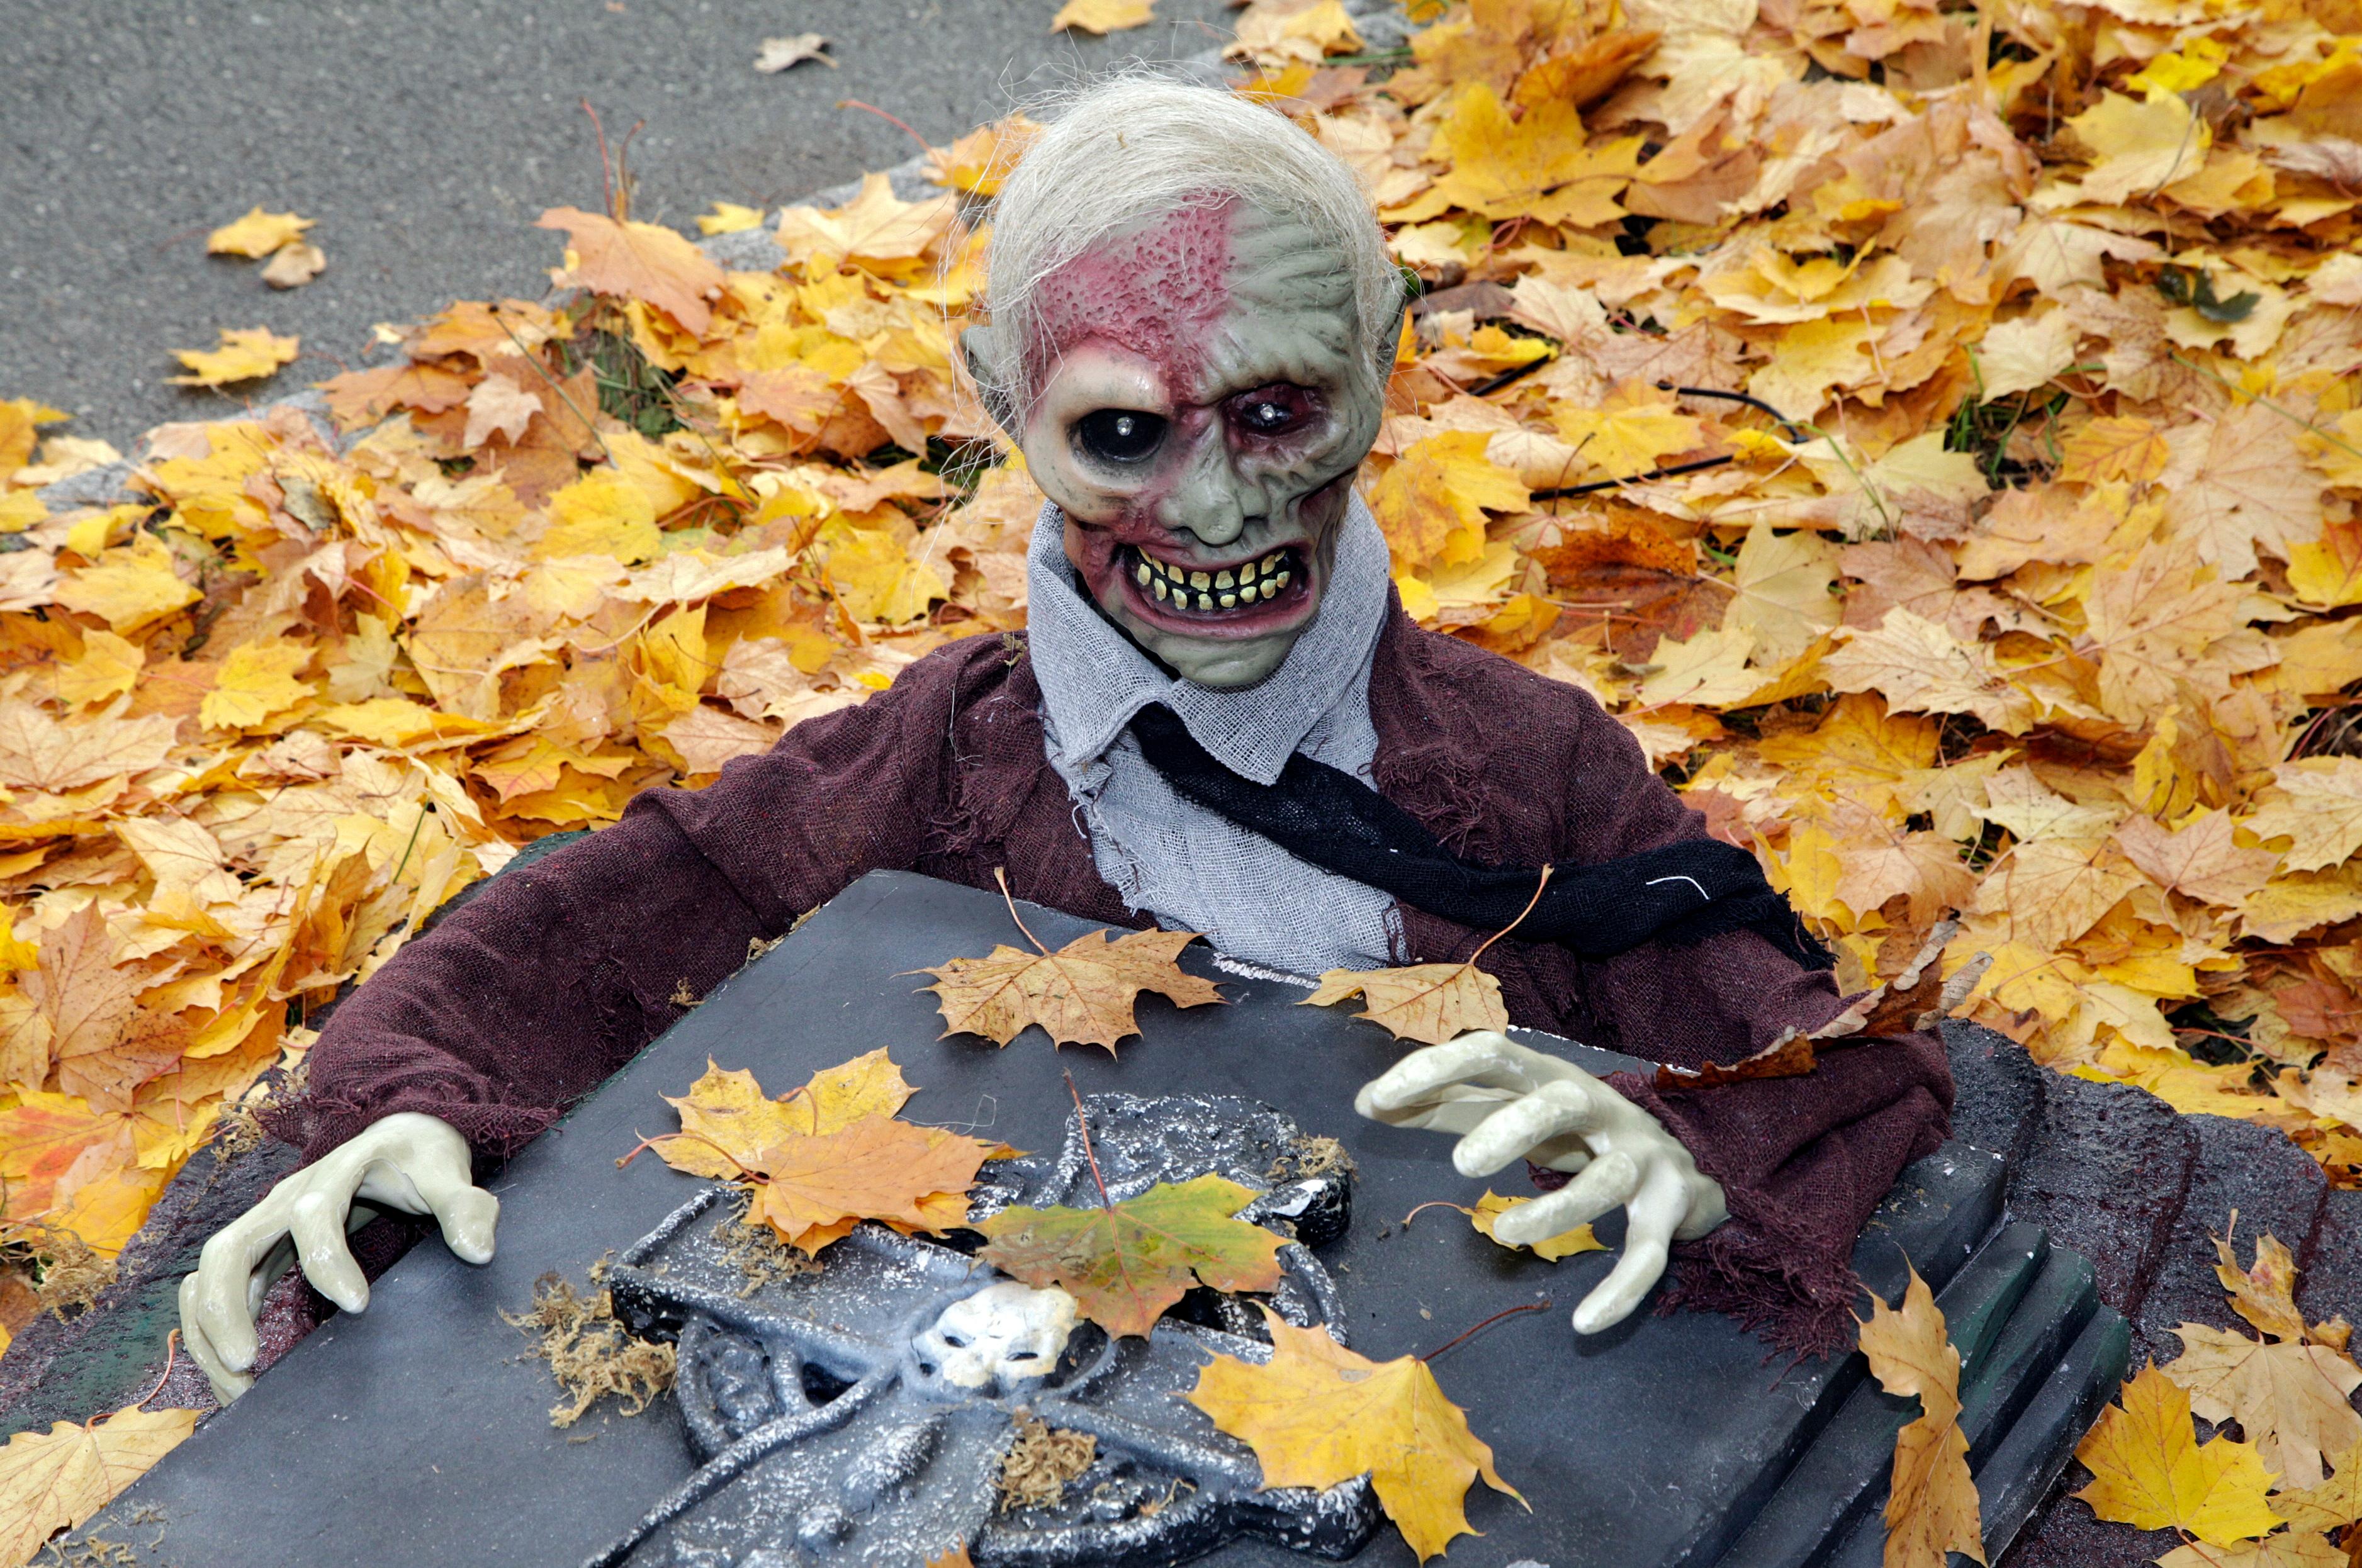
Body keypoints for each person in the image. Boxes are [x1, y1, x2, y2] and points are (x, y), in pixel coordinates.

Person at [180, 77, 1952, 1405]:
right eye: (1122, 432)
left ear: (1382, 364)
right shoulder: (948, 762)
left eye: (1280, 410)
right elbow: (630, 902)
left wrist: (1689, 1155)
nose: (1218, 502)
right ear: (1000, 403)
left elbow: (1812, 1042)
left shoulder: (1527, 765)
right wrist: (410, 1103)